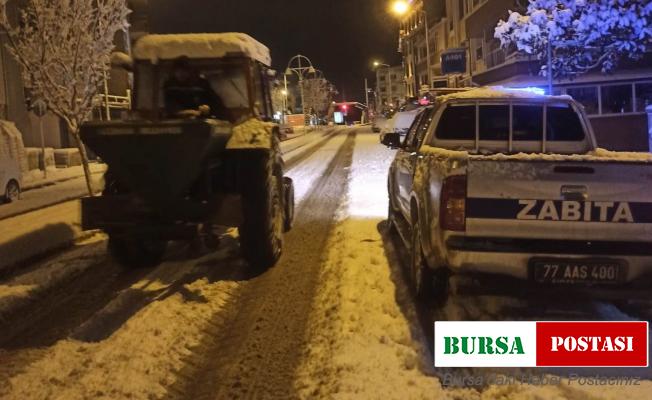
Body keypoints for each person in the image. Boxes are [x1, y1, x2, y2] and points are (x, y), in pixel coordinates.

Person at [164, 56, 229, 120]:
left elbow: (216, 103)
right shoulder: (170, 86)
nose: (181, 73)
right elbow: (172, 108)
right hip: (175, 124)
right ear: (173, 72)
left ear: (190, 71)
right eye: (178, 70)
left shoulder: (201, 85)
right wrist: (192, 112)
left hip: (200, 122)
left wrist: (207, 109)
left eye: (185, 70)